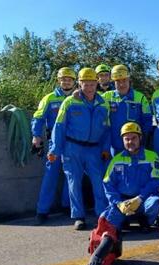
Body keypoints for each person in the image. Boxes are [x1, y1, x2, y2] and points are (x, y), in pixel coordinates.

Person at [89, 122, 159, 265]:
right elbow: (108, 184)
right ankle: (120, 225)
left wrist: (140, 198)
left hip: (143, 199)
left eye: (133, 138)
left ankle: (145, 222)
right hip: (123, 201)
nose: (130, 142)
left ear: (140, 138)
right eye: (127, 139)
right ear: (123, 141)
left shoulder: (151, 156)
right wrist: (118, 203)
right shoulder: (116, 160)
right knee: (106, 216)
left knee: (155, 203)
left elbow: (156, 181)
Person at [48, 67, 111, 230]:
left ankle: (102, 215)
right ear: (79, 84)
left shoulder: (103, 103)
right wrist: (55, 149)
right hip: (72, 148)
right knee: (73, 182)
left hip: (94, 149)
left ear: (96, 83)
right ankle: (78, 216)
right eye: (85, 84)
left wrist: (105, 148)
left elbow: (107, 129)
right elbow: (59, 126)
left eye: (92, 84)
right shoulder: (69, 102)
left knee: (98, 181)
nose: (89, 88)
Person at [31, 67, 74, 225]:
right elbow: (38, 117)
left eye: (69, 79)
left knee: (72, 175)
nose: (66, 82)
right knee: (50, 176)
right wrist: (36, 135)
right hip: (53, 143)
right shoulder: (49, 98)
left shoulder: (78, 97)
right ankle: (42, 211)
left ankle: (68, 206)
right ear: (58, 80)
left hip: (72, 143)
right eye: (63, 79)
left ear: (74, 81)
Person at [102, 64, 152, 155]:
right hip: (113, 147)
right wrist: (79, 92)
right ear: (113, 82)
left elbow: (147, 122)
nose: (121, 84)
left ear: (129, 79)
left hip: (135, 146)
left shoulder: (140, 97)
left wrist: (141, 142)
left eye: (124, 80)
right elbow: (90, 100)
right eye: (118, 81)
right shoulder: (106, 96)